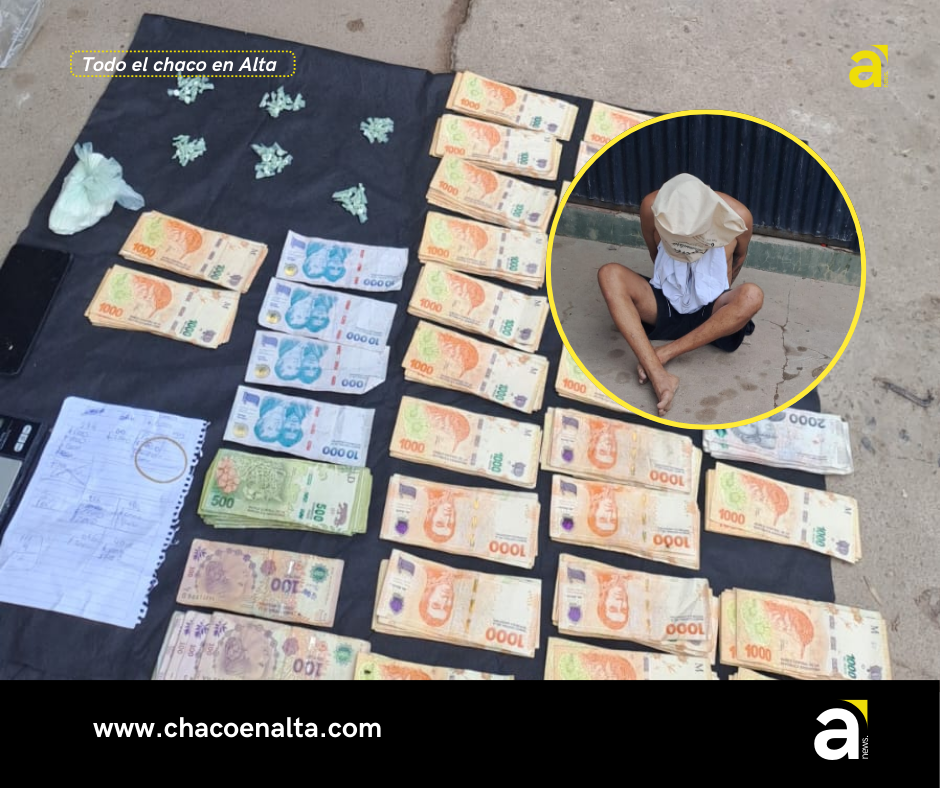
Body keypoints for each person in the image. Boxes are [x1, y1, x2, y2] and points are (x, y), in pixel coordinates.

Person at [597, 173, 764, 416]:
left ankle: (665, 352)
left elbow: (738, 260)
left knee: (752, 295)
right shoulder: (651, 206)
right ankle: (659, 376)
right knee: (609, 274)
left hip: (712, 310)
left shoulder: (739, 217)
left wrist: (718, 299)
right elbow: (654, 252)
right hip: (665, 301)